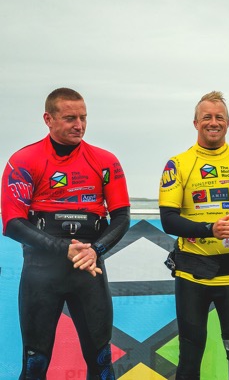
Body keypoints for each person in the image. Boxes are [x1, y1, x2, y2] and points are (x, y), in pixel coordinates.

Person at [1, 87, 131, 379]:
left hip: (88, 269)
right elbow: (12, 223)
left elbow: (122, 217)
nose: (79, 125)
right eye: (71, 118)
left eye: (83, 117)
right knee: (35, 365)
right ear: (48, 119)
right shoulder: (24, 160)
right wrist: (65, 249)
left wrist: (95, 250)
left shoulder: (105, 160)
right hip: (41, 273)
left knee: (101, 361)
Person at [159, 91, 229, 380]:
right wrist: (210, 230)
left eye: (219, 117)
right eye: (206, 117)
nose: (213, 122)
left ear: (228, 123)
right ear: (196, 123)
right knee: (190, 353)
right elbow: (168, 220)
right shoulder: (178, 164)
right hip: (192, 276)